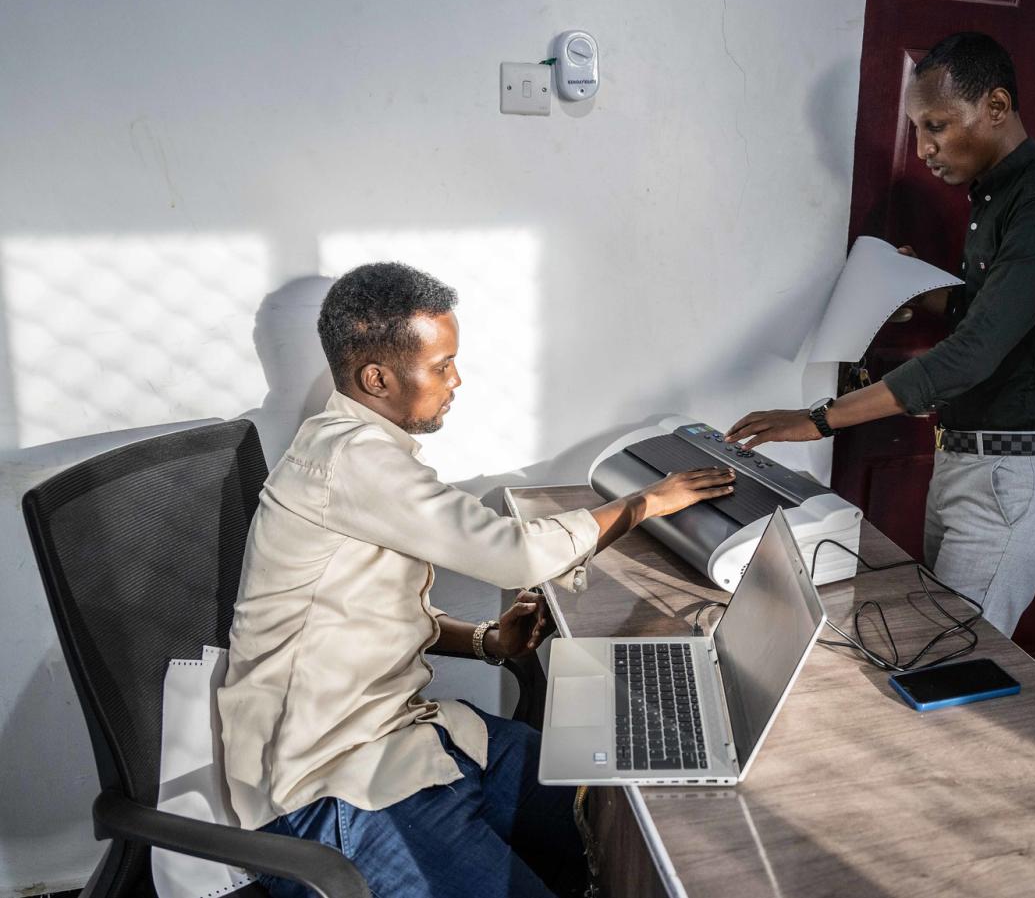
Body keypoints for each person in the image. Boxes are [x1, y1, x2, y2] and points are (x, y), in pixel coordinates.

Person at [218, 261, 734, 898]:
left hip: (411, 735)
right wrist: (646, 503)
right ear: (375, 377)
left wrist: (489, 642)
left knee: (608, 810)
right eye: (440, 366)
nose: (456, 379)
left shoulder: (357, 453)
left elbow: (370, 617)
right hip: (331, 784)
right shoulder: (352, 459)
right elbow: (513, 553)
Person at [728, 32, 1035, 636]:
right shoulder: (996, 196)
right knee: (940, 644)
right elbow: (995, 311)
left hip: (1013, 483)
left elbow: (969, 355)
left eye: (936, 126)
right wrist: (905, 285)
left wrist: (817, 419)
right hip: (971, 463)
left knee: (951, 657)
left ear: (997, 108)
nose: (923, 148)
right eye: (917, 130)